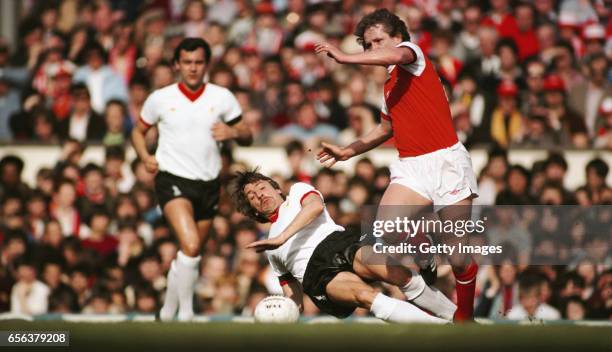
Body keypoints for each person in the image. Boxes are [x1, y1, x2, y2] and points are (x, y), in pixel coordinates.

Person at [314, 9, 479, 322]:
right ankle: (424, 247)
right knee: (386, 231)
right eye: (369, 44)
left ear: (398, 37)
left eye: (379, 41)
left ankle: (466, 319)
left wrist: (345, 57)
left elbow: (395, 54)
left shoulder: (413, 56)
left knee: (458, 257)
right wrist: (348, 151)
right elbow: (385, 129)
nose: (374, 48)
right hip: (411, 166)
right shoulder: (389, 87)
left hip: (446, 162)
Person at [131, 37, 252, 321]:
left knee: (190, 254)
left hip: (209, 183)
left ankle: (166, 310)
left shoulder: (222, 97)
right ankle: (186, 313)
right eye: (187, 62)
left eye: (198, 62)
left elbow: (247, 135)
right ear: (176, 64)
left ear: (207, 64)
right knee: (192, 245)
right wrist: (144, 156)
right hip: (172, 177)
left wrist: (232, 133)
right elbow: (137, 131)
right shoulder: (160, 98)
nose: (193, 68)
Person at [232, 170, 456, 324]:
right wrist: (283, 312)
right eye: (251, 196)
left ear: (276, 189)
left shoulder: (297, 192)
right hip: (315, 274)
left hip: (339, 242)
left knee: (402, 276)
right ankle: (445, 331)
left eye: (261, 187)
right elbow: (293, 295)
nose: (259, 194)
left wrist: (282, 238)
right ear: (254, 211)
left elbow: (315, 208)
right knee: (366, 297)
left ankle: (460, 319)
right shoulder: (270, 246)